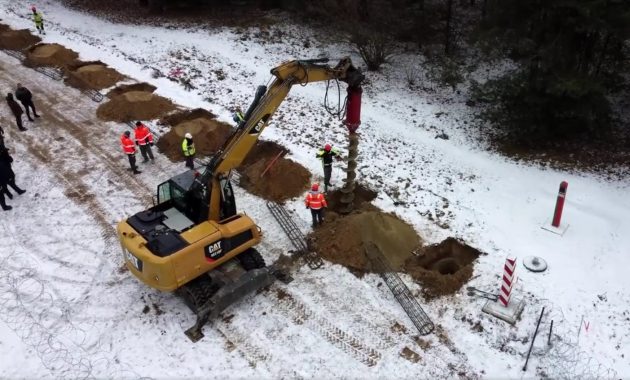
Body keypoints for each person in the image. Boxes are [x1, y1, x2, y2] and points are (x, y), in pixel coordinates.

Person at [0, 146, 26, 211]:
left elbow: (10, 160)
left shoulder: (2, 158)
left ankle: (15, 192)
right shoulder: (2, 158)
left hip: (5, 173)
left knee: (8, 184)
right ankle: (4, 206)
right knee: (2, 191)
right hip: (4, 174)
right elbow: (9, 161)